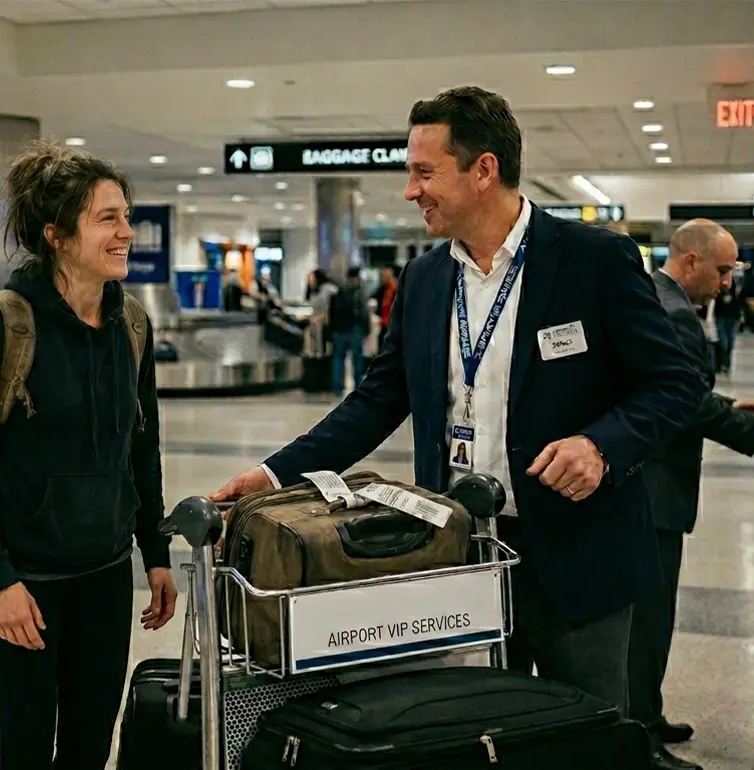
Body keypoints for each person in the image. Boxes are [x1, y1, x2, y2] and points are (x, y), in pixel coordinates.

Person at [211, 86, 704, 712]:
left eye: (424, 172)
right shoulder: (425, 279)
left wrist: (602, 447)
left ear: (484, 170)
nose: (411, 190)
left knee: (580, 738)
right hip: (459, 554)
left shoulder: (592, 261)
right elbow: (375, 401)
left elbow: (675, 382)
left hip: (578, 556)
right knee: (470, 728)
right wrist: (272, 474)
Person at [0, 140, 178, 770]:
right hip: (26, 583)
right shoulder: (2, 324)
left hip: (103, 576)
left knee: (89, 745)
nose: (127, 232)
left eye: (125, 216)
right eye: (107, 219)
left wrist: (155, 553)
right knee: (26, 750)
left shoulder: (130, 324)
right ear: (57, 235)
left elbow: (141, 444)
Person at [632, 219, 754, 770]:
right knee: (649, 620)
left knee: (651, 618)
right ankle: (639, 736)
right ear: (690, 262)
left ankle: (647, 715)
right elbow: (684, 403)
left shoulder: (658, 299)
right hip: (655, 489)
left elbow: (680, 389)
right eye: (723, 269)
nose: (729, 281)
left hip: (647, 484)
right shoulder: (676, 314)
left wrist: (727, 403)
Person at [328, 266, 369, 396]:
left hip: (339, 330)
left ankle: (337, 388)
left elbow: (331, 312)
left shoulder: (338, 291)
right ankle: (358, 387)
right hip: (355, 329)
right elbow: (363, 311)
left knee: (338, 359)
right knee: (357, 359)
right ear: (357, 277)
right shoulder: (358, 292)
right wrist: (366, 328)